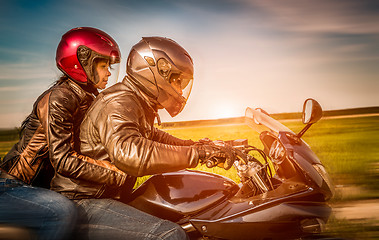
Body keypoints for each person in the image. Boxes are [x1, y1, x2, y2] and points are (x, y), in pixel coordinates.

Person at [50, 36, 234, 240]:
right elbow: (130, 152)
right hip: (84, 200)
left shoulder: (136, 100)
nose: (180, 90)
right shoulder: (118, 102)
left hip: (106, 196)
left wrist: (197, 145)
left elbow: (153, 136)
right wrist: (197, 154)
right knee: (170, 235)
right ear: (155, 72)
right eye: (176, 80)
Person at [0, 27, 123, 240]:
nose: (109, 72)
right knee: (60, 212)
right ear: (81, 63)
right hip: (12, 185)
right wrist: (118, 174)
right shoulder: (60, 98)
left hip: (39, 188)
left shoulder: (87, 98)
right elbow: (62, 159)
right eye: (103, 65)